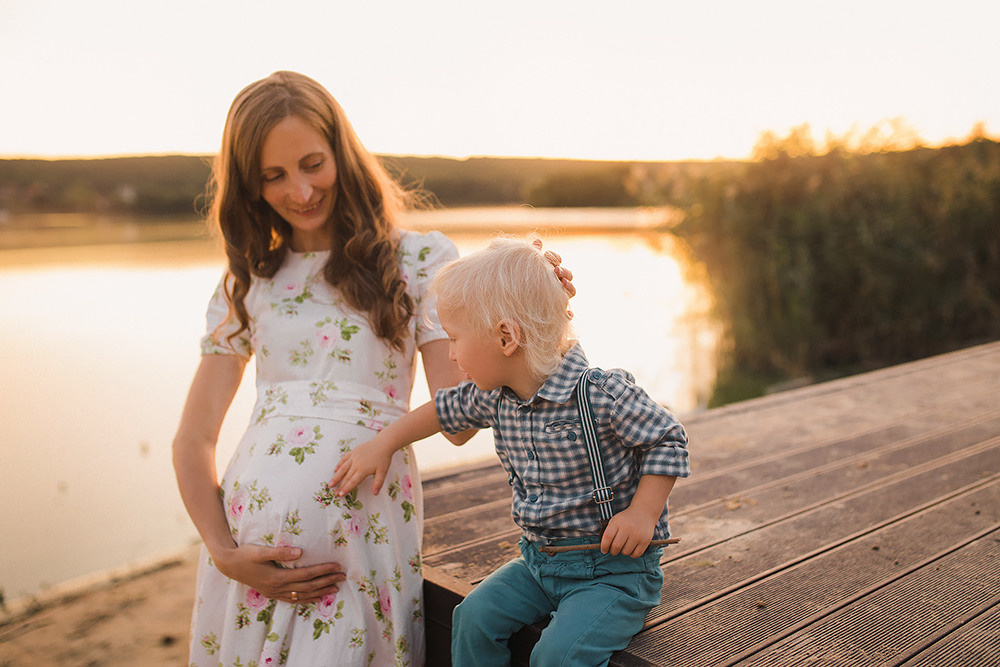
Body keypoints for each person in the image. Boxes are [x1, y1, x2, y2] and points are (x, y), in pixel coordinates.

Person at [172, 72, 575, 666]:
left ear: (342, 152)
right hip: (246, 564)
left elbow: (461, 416)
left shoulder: (417, 261)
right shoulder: (247, 282)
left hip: (361, 547)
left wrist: (530, 310)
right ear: (249, 185)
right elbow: (194, 437)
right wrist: (223, 550)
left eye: (313, 163)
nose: (302, 190)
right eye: (273, 175)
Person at [331, 236, 691, 666]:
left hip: (613, 575)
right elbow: (441, 411)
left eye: (455, 338)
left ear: (506, 337)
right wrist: (383, 443)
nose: (450, 353)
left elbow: (667, 439)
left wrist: (642, 514)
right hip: (539, 565)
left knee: (556, 656)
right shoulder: (495, 397)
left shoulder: (600, 393)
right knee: (472, 620)